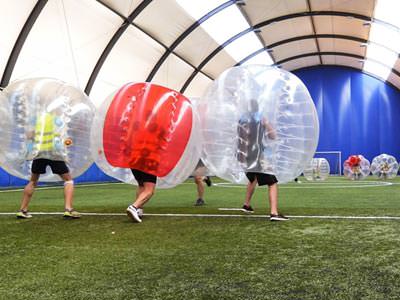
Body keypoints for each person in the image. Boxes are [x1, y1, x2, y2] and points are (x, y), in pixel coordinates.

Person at [17, 112, 79, 219]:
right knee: (68, 180)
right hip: (54, 153)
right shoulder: (57, 118)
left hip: (39, 153)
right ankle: (68, 209)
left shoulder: (35, 119)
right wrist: (68, 142)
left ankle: (23, 210)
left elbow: (29, 135)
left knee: (33, 181)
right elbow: (63, 137)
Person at [237, 99, 288, 221]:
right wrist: (267, 123)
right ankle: (274, 213)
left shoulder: (241, 120)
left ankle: (246, 205)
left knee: (253, 179)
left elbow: (240, 140)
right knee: (272, 182)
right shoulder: (260, 119)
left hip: (246, 155)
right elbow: (273, 136)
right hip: (258, 155)